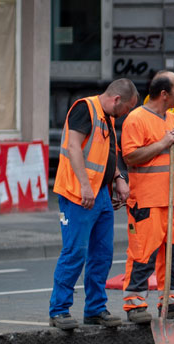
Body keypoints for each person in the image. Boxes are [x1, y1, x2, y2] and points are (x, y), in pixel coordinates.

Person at [48, 79, 139, 331]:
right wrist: (85, 185)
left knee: (102, 254)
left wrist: (119, 179)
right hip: (78, 193)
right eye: (126, 109)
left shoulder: (107, 117)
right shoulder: (85, 108)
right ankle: (59, 310)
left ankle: (96, 309)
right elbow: (73, 147)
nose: (126, 115)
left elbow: (110, 154)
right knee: (75, 251)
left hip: (100, 193)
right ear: (116, 100)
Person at [121, 71, 174, 324]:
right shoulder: (136, 119)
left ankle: (173, 302)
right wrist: (163, 142)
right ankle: (134, 305)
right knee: (142, 254)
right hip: (146, 201)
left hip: (173, 201)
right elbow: (130, 157)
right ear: (164, 94)